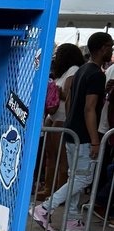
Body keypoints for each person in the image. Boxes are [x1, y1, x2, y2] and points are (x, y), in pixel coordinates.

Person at [33, 32, 113, 231]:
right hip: (84, 135)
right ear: (103, 47)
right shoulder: (95, 74)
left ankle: (72, 219)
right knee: (83, 178)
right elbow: (89, 108)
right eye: (110, 46)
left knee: (75, 176)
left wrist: (71, 122)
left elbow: (69, 101)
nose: (112, 50)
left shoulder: (82, 71)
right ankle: (45, 208)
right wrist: (95, 140)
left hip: (73, 131)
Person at [42, 43, 84, 196]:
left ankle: (59, 190)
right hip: (53, 118)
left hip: (62, 119)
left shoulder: (73, 71)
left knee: (61, 158)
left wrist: (57, 92)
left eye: (60, 53)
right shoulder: (62, 72)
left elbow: (69, 96)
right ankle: (48, 188)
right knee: (50, 156)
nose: (56, 56)